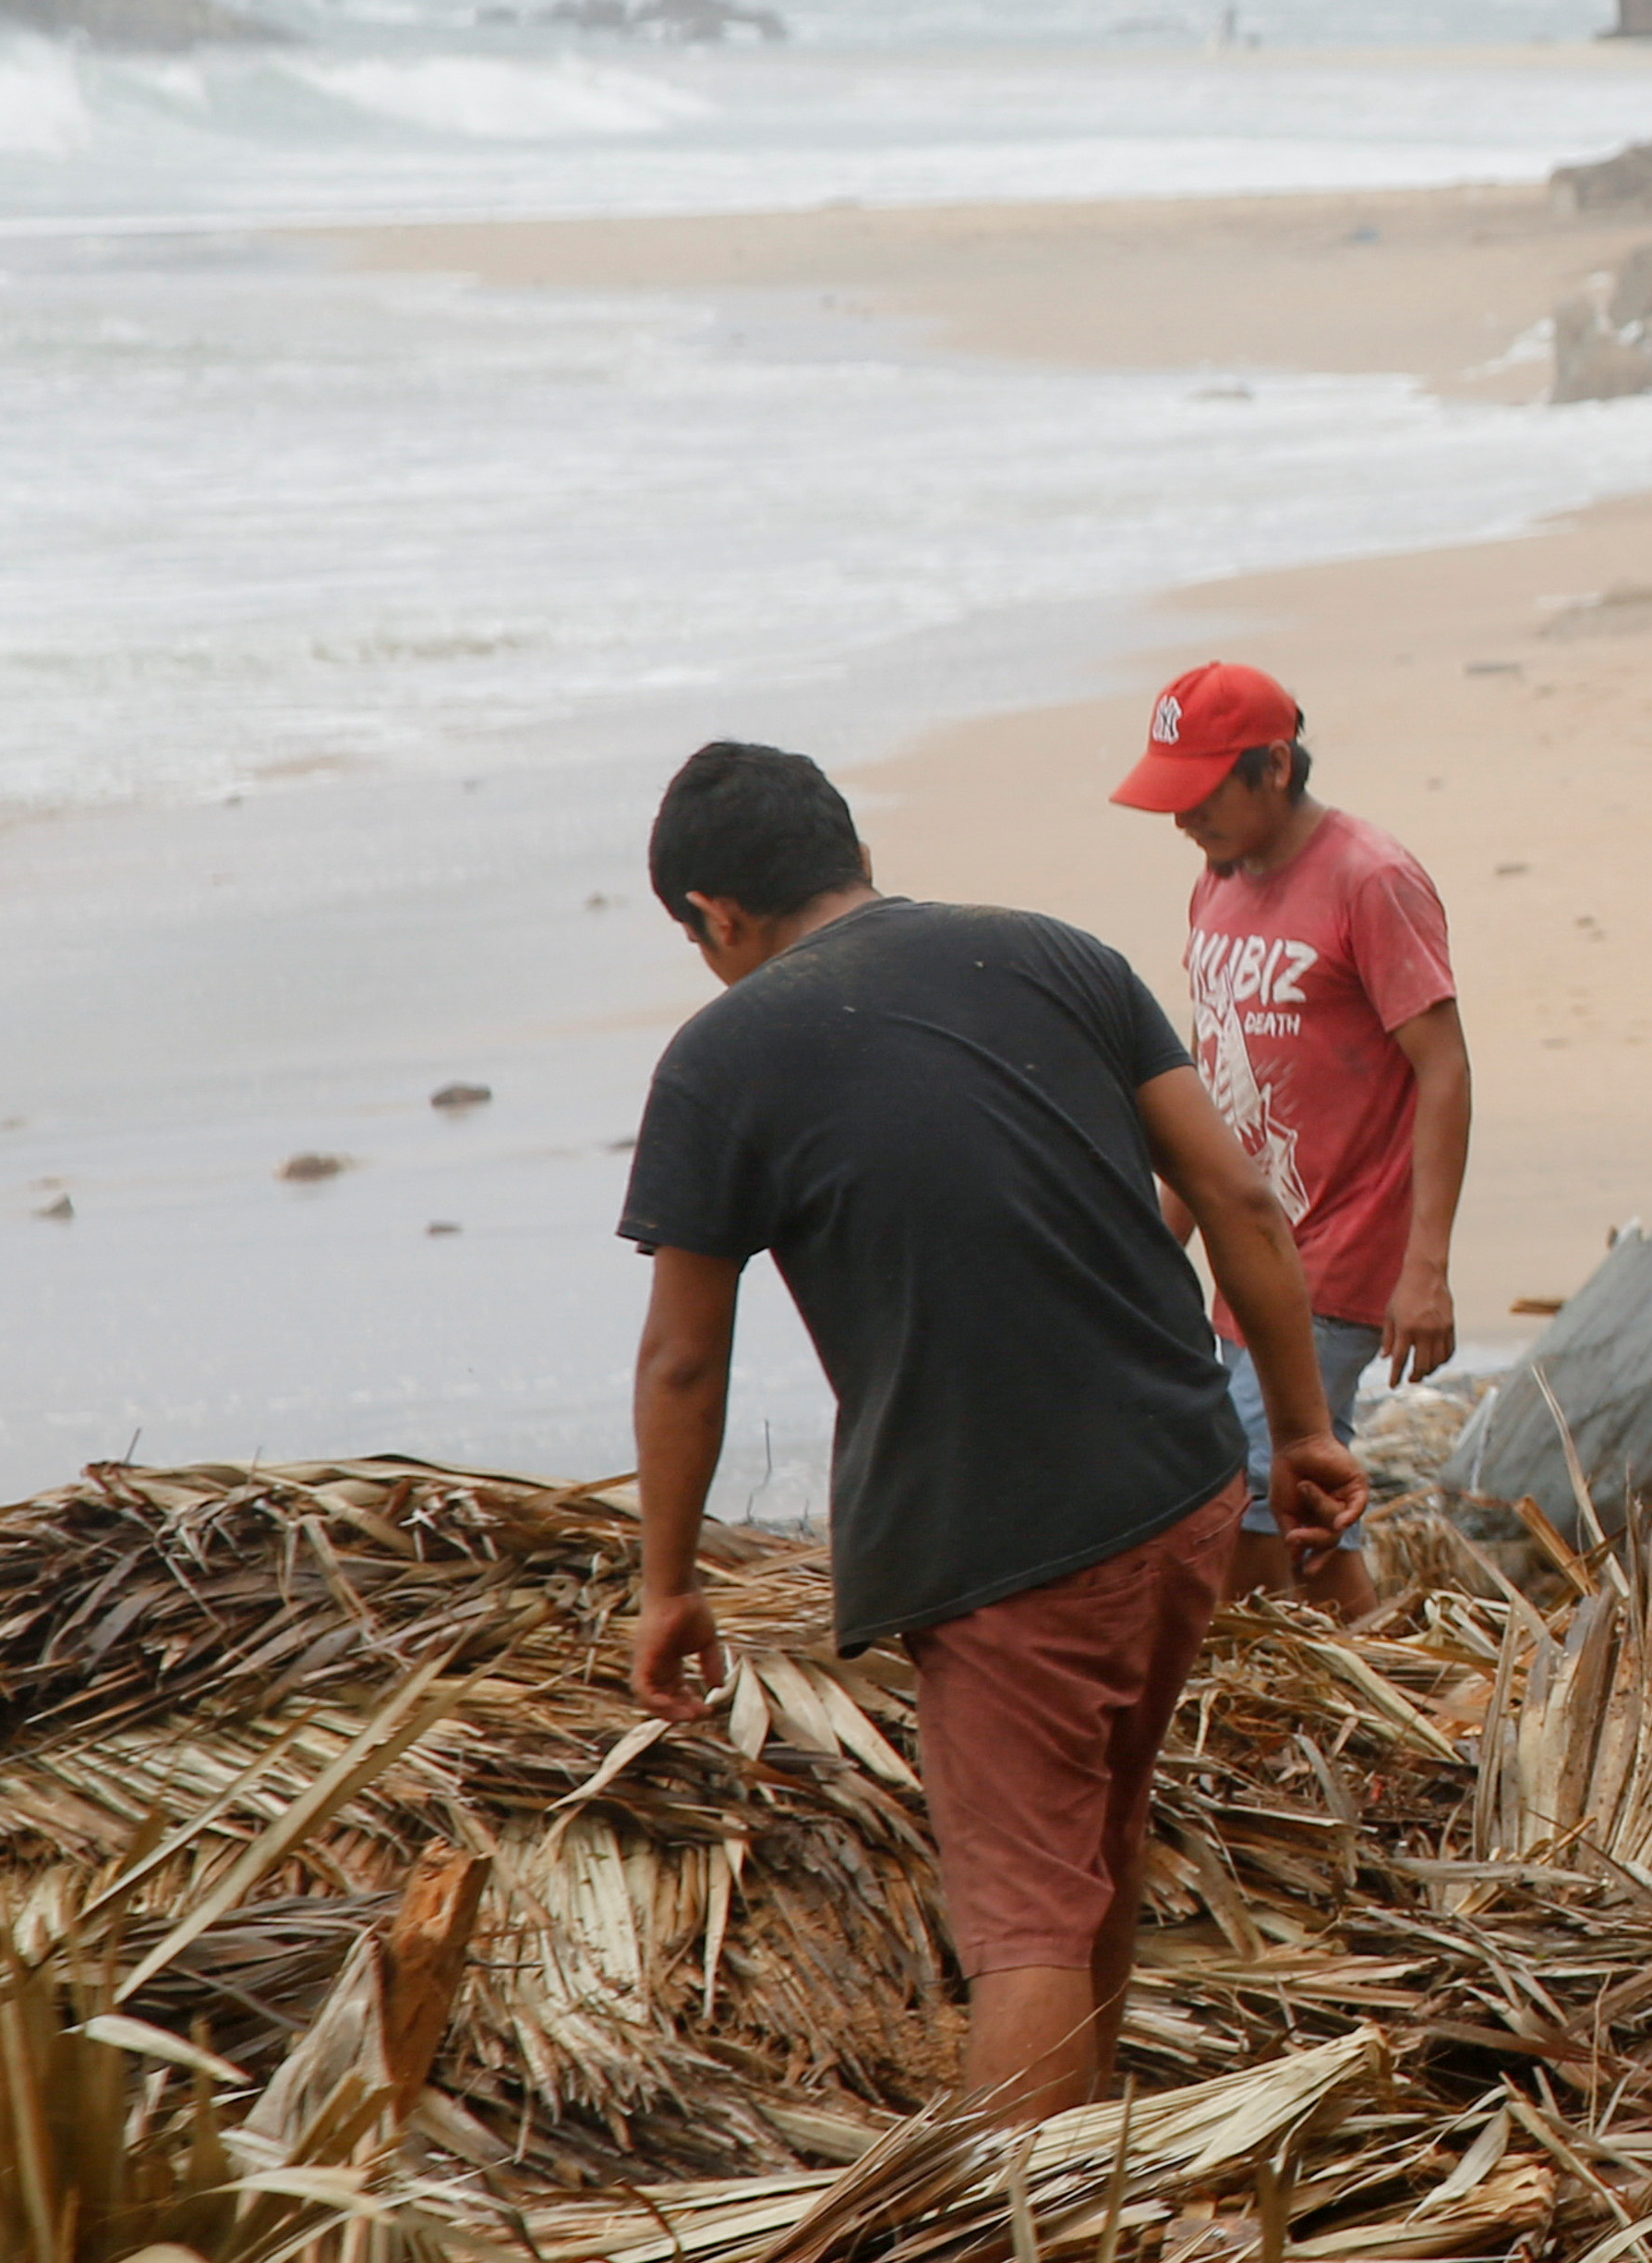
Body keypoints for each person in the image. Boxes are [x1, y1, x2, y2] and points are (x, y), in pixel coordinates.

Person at [613, 741, 1367, 2121]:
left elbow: (681, 1363)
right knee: (1096, 1844)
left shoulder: (720, 1060)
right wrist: (1302, 1433)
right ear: (847, 850)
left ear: (716, 915)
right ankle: (1093, 2166)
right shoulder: (1052, 954)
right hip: (1183, 1474)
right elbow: (1243, 1203)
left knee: (1021, 1921)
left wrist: (668, 1585)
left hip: (1005, 1535)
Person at [1111, 662, 1472, 1609]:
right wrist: (1163, 1240)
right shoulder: (1214, 887)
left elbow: (1443, 1067)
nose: (1182, 820)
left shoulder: (1371, 879)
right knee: (1305, 1494)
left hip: (1341, 1244)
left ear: (1272, 766)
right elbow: (1209, 1083)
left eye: (1198, 795)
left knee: (1247, 1505)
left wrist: (1424, 1268)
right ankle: (1371, 1655)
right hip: (1248, 1240)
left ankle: (1271, 1679)